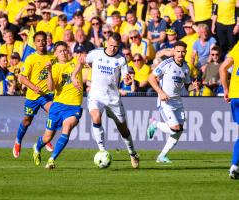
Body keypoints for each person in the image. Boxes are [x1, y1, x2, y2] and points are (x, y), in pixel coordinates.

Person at [85, 32, 139, 169]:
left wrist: (127, 79)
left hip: (112, 97)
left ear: (119, 46)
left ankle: (132, 153)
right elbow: (87, 62)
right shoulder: (95, 53)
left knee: (123, 129)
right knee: (96, 117)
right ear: (106, 42)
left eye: (116, 46)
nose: (112, 48)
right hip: (96, 94)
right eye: (110, 45)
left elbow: (126, 76)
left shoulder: (121, 59)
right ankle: (102, 150)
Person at [32, 41, 84, 169]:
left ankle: (51, 159)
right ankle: (37, 146)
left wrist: (74, 74)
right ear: (55, 53)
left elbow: (82, 62)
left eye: (65, 50)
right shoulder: (54, 67)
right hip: (58, 106)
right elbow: (50, 88)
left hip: (73, 106)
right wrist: (49, 72)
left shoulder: (76, 61)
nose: (64, 52)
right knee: (48, 137)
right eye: (60, 51)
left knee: (67, 127)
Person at [146, 41, 191, 163]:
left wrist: (194, 86)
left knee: (179, 131)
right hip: (165, 101)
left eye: (182, 52)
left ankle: (162, 156)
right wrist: (160, 92)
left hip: (178, 102)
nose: (180, 54)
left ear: (185, 52)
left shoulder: (186, 67)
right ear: (174, 52)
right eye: (178, 51)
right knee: (175, 128)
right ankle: (155, 124)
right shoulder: (167, 63)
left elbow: (188, 87)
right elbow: (151, 78)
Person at [12, 31, 54, 159]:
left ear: (47, 41)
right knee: (27, 121)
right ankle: (18, 141)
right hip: (33, 96)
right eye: (39, 40)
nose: (41, 42)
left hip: (47, 95)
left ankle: (46, 139)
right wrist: (33, 87)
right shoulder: (31, 58)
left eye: (43, 40)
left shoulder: (52, 57)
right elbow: (21, 78)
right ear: (35, 43)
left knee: (54, 114)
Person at [219, 41, 239, 179]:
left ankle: (234, 166)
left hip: (235, 95)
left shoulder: (238, 46)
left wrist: (226, 90)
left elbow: (222, 68)